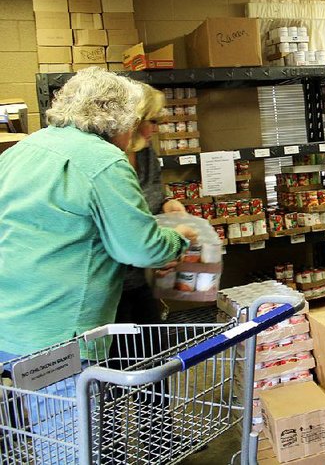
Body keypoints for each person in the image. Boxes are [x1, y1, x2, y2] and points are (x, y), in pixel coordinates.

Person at [0, 67, 195, 463]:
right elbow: (140, 248)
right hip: (61, 334)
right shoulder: (102, 159)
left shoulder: (24, 150)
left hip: (11, 327)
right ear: (119, 119)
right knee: (71, 448)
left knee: (39, 440)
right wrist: (178, 238)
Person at [117, 83, 186, 325]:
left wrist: (167, 204)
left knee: (154, 349)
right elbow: (121, 224)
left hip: (143, 277)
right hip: (112, 287)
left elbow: (152, 195)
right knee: (120, 358)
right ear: (134, 121)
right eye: (153, 121)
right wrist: (167, 247)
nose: (157, 129)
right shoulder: (109, 161)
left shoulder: (145, 152)